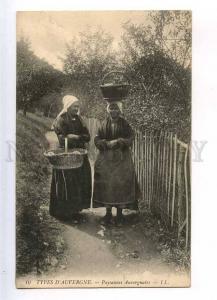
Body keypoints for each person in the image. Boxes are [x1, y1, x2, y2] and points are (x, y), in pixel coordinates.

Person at [93, 101, 140, 225]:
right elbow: (97, 138)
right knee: (107, 183)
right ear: (108, 110)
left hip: (122, 158)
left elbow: (131, 137)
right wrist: (104, 143)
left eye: (116, 109)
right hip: (106, 157)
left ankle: (119, 215)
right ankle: (108, 214)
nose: (113, 111)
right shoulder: (103, 123)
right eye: (111, 108)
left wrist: (119, 141)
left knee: (120, 184)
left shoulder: (124, 124)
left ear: (120, 111)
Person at [49, 95, 92, 221]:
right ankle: (64, 211)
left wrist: (76, 137)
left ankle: (76, 210)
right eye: (74, 106)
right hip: (66, 155)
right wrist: (70, 137)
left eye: (78, 107)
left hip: (78, 155)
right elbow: (61, 138)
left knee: (80, 181)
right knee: (67, 182)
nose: (76, 109)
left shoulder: (80, 119)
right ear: (67, 106)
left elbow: (87, 136)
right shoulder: (61, 119)